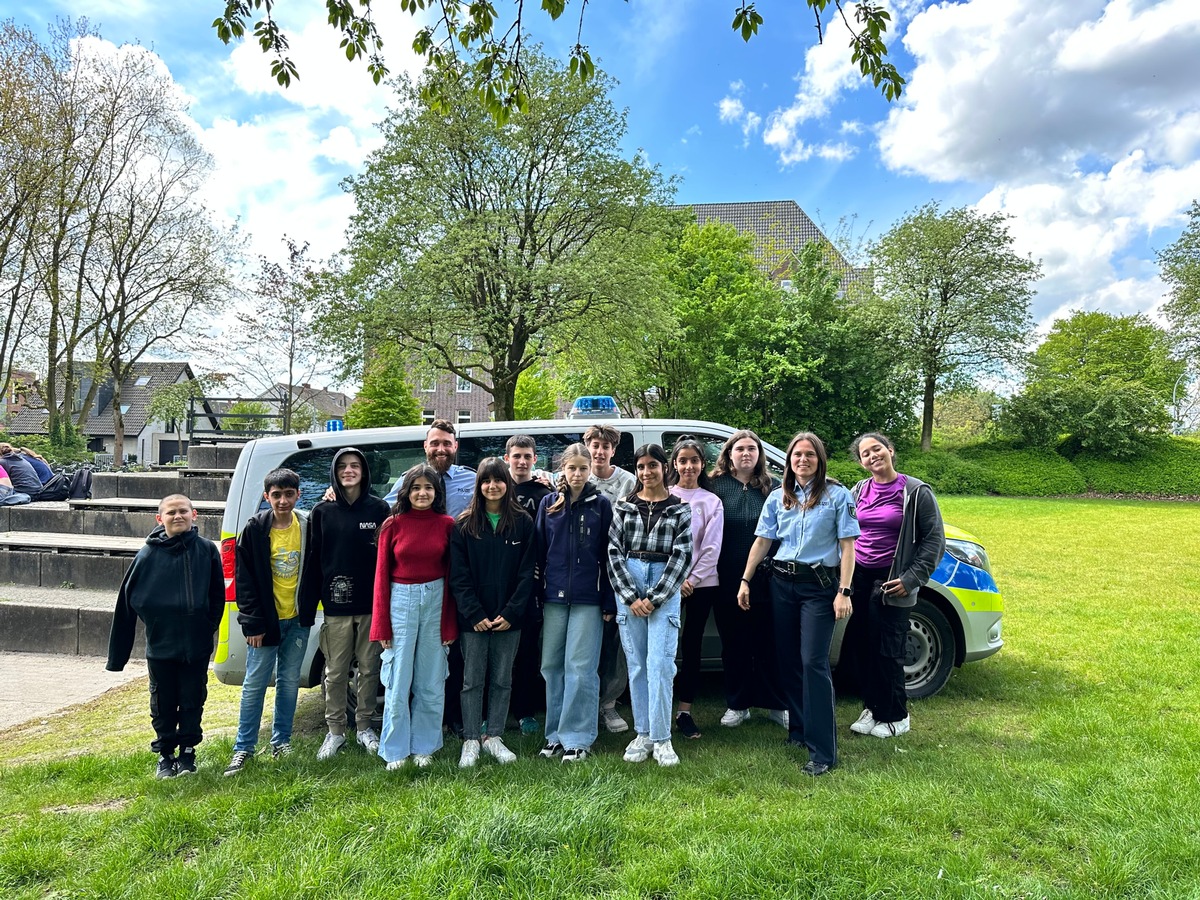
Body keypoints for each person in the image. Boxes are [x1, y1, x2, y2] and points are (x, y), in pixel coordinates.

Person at [737, 432, 859, 777]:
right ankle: (799, 731)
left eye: (809, 455)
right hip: (781, 585)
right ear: (789, 460)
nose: (802, 460)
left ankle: (823, 752)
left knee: (813, 662)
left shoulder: (837, 495)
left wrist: (844, 591)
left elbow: (848, 546)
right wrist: (745, 580)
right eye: (797, 455)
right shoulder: (779, 497)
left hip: (819, 588)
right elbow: (763, 541)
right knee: (789, 661)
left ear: (819, 460)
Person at [106, 494, 223, 778]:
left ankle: (188, 754)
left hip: (196, 645)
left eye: (183, 511)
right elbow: (126, 602)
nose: (178, 516)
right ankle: (166, 756)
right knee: (163, 702)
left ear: (194, 515)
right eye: (171, 513)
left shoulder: (207, 550)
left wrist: (207, 626)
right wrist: (117, 657)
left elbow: (217, 596)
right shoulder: (147, 554)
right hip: (161, 645)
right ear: (160, 519)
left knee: (193, 698)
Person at [844, 432, 945, 739]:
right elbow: (846, 528)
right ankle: (873, 708)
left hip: (893, 581)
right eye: (865, 454)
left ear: (890, 450)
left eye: (877, 449)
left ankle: (897, 715)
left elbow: (934, 540)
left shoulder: (915, 491)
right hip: (860, 578)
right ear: (861, 463)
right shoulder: (860, 489)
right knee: (864, 647)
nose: (873, 456)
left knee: (889, 650)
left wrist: (912, 579)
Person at [298, 447, 390, 761]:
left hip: (371, 607)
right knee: (335, 673)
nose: (349, 471)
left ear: (364, 471)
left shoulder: (379, 510)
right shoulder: (322, 512)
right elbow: (313, 561)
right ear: (335, 474)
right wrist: (307, 607)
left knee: (369, 669)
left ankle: (364, 726)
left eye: (355, 466)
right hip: (335, 608)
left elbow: (388, 560)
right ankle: (335, 731)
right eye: (343, 467)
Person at [607, 443, 693, 767]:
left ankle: (662, 738)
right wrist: (631, 596)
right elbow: (614, 552)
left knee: (660, 664)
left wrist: (656, 597)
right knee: (638, 665)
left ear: (664, 468)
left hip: (663, 586)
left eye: (652, 465)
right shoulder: (624, 507)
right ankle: (642, 733)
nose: (646, 472)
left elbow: (683, 555)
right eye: (641, 466)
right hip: (629, 583)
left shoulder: (680, 510)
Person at [450, 459, 536, 767]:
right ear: (479, 485)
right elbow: (458, 577)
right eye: (486, 481)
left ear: (507, 483)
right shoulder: (464, 525)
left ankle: (495, 736)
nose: (492, 486)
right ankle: (472, 738)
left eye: (498, 480)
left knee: (502, 679)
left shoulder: (523, 523)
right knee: (472, 680)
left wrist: (512, 612)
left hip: (509, 619)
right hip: (473, 620)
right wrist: (473, 613)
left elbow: (528, 573)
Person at [371, 464, 458, 769]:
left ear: (437, 493)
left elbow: (452, 578)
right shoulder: (392, 525)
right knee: (398, 679)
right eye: (416, 488)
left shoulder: (447, 525)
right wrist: (380, 624)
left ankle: (425, 745)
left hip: (436, 601)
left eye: (429, 488)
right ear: (406, 492)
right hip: (400, 602)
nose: (422, 493)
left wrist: (449, 622)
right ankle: (395, 748)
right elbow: (381, 577)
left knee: (431, 680)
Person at [225, 468, 310, 776]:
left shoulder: (307, 526)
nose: (283, 501)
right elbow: (244, 581)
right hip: (264, 623)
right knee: (255, 684)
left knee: (289, 683)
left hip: (297, 620)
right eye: (276, 495)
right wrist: (252, 624)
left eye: (289, 494)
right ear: (266, 497)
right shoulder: (255, 530)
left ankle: (281, 741)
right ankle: (243, 747)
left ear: (298, 494)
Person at [535, 443, 615, 763]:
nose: (578, 474)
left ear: (590, 469)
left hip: (588, 598)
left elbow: (610, 557)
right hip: (553, 597)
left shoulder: (601, 505)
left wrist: (609, 600)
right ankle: (554, 734)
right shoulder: (548, 504)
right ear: (563, 469)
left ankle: (578, 738)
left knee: (580, 668)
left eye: (584, 468)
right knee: (552, 666)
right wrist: (538, 593)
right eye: (572, 468)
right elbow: (539, 551)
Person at [708, 430, 788, 728]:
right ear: (729, 454)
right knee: (734, 643)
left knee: (769, 642)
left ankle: (775, 703)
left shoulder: (774, 488)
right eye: (739, 448)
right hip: (727, 577)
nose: (746, 454)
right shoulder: (715, 486)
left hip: (768, 578)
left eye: (751, 449)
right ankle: (738, 703)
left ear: (760, 454)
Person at [667, 437, 724, 740]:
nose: (688, 466)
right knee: (664, 648)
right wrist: (676, 581)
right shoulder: (664, 496)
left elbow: (712, 546)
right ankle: (660, 707)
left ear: (702, 464)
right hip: (668, 585)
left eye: (694, 461)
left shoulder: (711, 501)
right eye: (682, 460)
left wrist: (691, 580)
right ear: (674, 464)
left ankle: (684, 712)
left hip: (701, 585)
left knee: (692, 647)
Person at [585, 422, 637, 735]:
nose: (600, 451)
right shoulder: (577, 476)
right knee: (588, 641)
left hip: (620, 568)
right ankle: (586, 704)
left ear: (613, 450)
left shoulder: (628, 481)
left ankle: (608, 704)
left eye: (606, 446)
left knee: (619, 643)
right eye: (595, 445)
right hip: (586, 571)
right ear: (587, 446)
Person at [504, 434, 552, 735]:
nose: (522, 461)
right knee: (497, 650)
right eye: (516, 455)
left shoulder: (543, 491)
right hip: (498, 580)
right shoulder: (493, 486)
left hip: (532, 583)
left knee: (528, 650)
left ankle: (525, 711)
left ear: (535, 460)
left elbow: (549, 535)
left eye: (527, 456)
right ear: (506, 457)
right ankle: (494, 710)